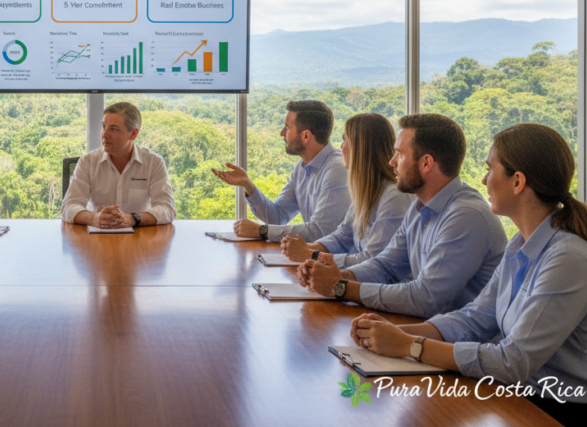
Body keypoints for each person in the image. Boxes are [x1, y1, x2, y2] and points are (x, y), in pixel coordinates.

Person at [350, 123, 587, 427]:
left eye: (489, 169)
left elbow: (513, 362)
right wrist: (399, 333)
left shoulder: (568, 259)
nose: (483, 179)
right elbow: (475, 318)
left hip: (566, 410)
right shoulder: (521, 243)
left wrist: (409, 346)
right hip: (523, 396)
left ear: (518, 182)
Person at [298, 113, 507, 317]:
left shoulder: (466, 216)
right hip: (430, 330)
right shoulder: (419, 206)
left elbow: (425, 298)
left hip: (456, 342)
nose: (392, 162)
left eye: (400, 154)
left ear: (426, 163)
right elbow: (386, 266)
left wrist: (341, 287)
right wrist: (334, 277)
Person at [280, 113, 412, 266]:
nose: (341, 146)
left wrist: (310, 254)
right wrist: (306, 248)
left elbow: (372, 261)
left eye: (344, 140)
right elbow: (342, 237)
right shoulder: (366, 190)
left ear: (360, 148)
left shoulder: (394, 197)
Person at [211, 100, 349, 241]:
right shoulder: (301, 169)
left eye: (287, 128)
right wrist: (248, 185)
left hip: (341, 262)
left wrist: (262, 231)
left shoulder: (338, 170)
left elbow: (319, 232)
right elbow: (277, 217)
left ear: (305, 136)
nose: (281, 133)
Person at [61, 101, 175, 228]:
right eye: (104, 126)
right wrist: (94, 218)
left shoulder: (154, 162)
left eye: (113, 129)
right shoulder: (87, 162)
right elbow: (69, 206)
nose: (104, 135)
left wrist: (132, 218)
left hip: (139, 238)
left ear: (133, 134)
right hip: (97, 237)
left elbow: (167, 208)